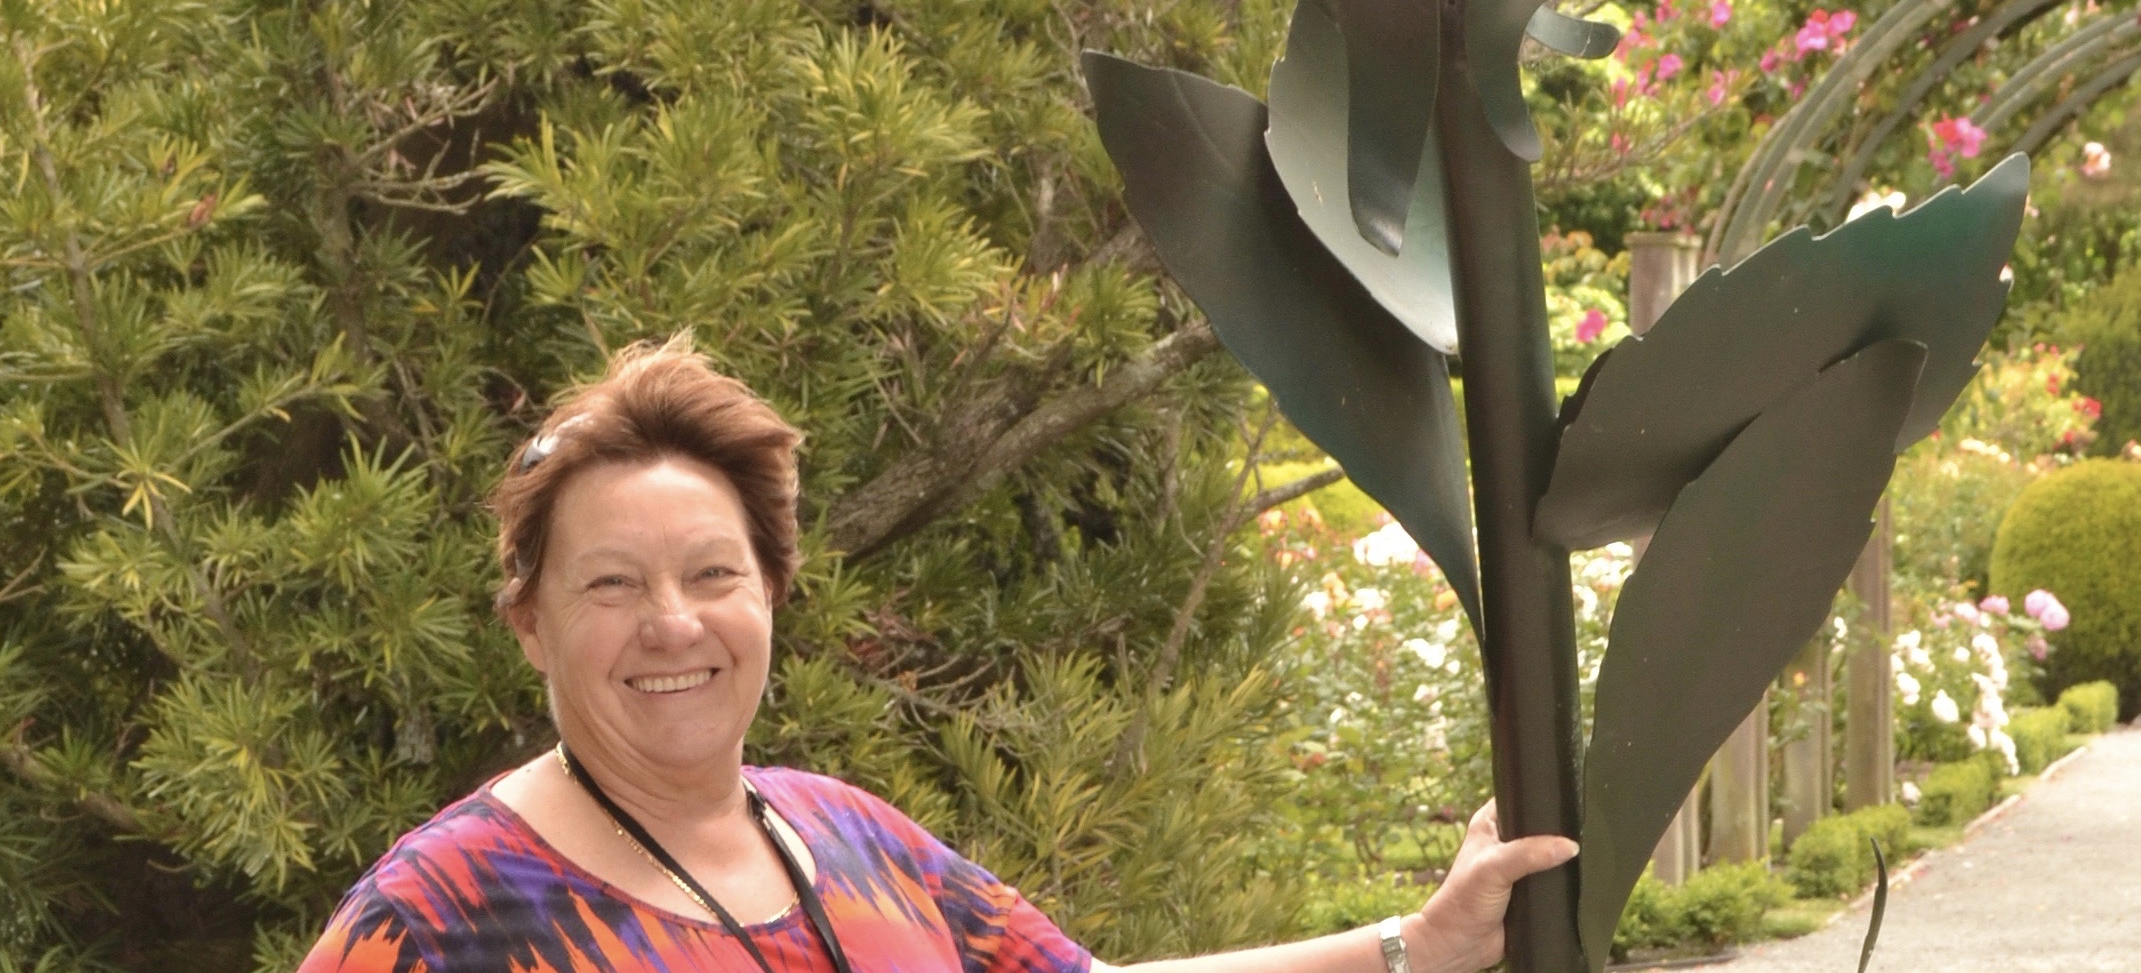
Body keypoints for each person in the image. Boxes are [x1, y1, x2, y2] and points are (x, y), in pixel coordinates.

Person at [299, 337, 1574, 973]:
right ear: (528, 620)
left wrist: (1417, 944)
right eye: (611, 584)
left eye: (714, 574)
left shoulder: (851, 838)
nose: (672, 623)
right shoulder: (440, 915)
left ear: (772, 593)